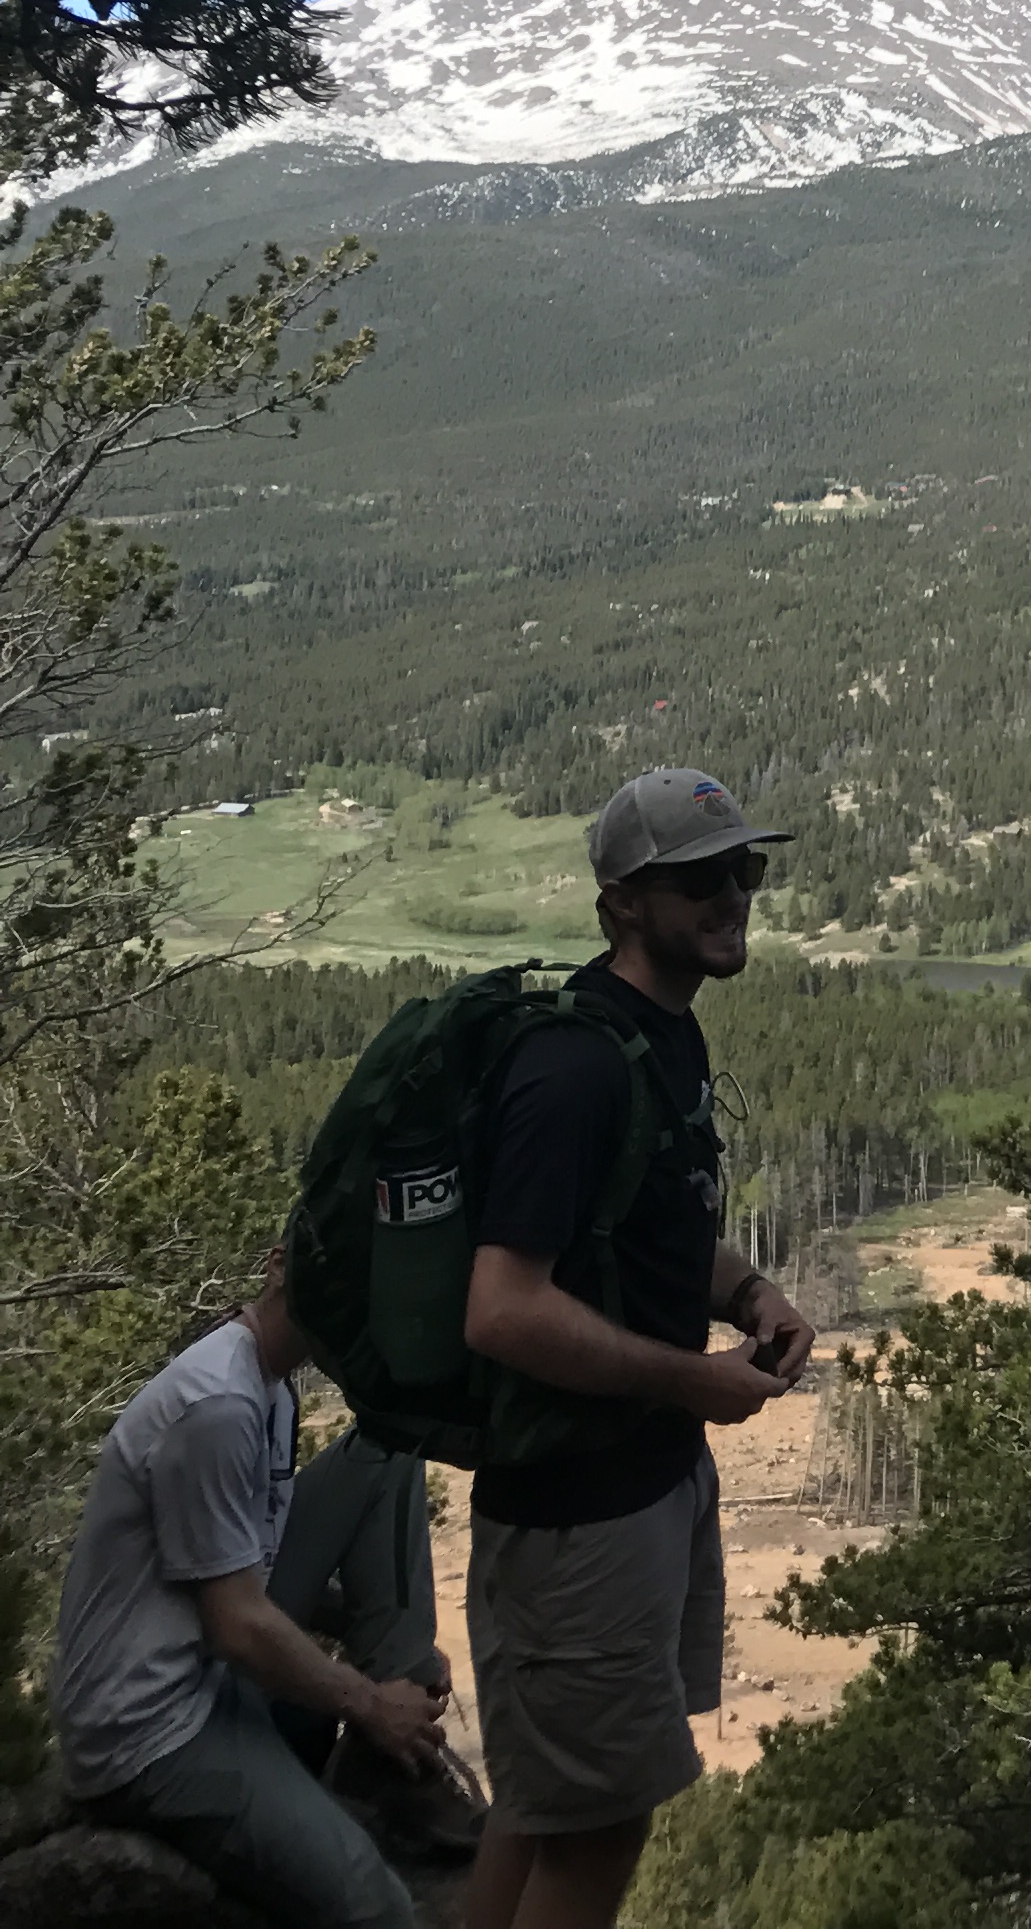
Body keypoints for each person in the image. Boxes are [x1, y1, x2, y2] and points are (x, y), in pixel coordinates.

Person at [460, 766, 817, 1929]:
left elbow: (649, 1237)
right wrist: (692, 1384)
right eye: (699, 878)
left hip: (640, 1489)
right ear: (621, 902)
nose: (733, 896)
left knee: (552, 1806)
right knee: (597, 1830)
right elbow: (503, 1307)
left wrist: (747, 1291)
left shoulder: (662, 1042)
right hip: (577, 1515)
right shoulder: (571, 1069)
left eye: (744, 869)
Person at [49, 1242, 473, 1928]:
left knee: (384, 1447)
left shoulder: (266, 1387)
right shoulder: (216, 1404)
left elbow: (249, 1574)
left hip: (206, 1671)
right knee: (377, 1905)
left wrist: (398, 1660)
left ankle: (394, 1765)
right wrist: (369, 1703)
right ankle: (386, 1746)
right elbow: (238, 1623)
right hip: (150, 1727)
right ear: (278, 1265)